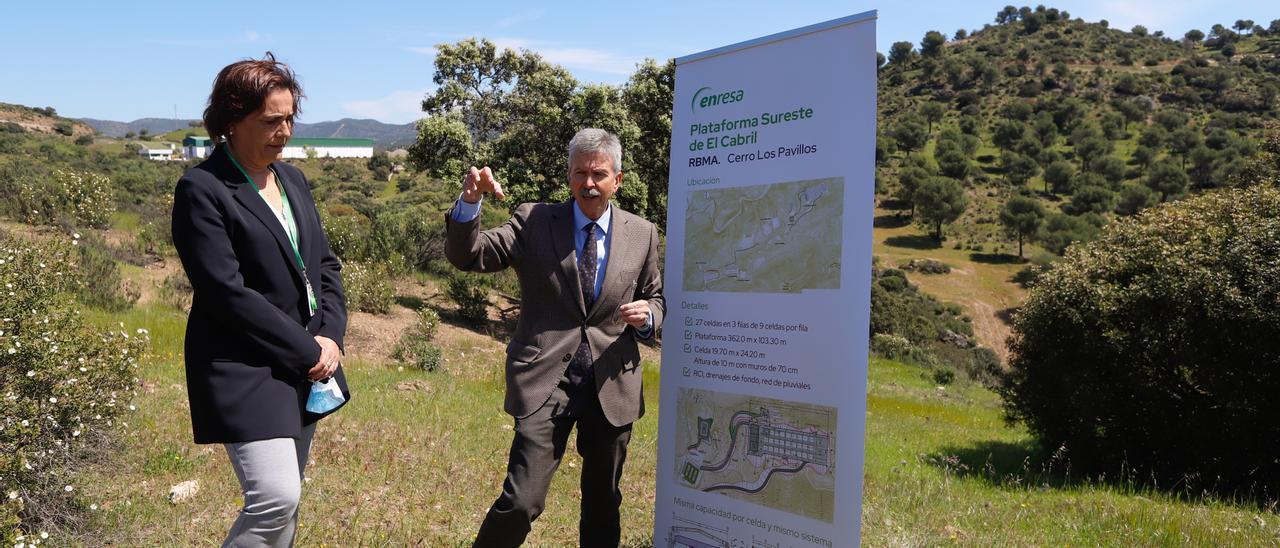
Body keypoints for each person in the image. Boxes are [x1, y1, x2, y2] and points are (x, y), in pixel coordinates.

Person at [445, 128, 665, 547]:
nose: (588, 183)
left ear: (617, 180)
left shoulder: (642, 233)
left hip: (612, 382)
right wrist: (470, 202)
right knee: (522, 500)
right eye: (580, 173)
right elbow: (469, 255)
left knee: (603, 502)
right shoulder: (535, 220)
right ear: (568, 176)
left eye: (599, 174)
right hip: (546, 381)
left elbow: (656, 296)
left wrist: (649, 315)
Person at [171, 52, 350, 547]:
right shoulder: (203, 189)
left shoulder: (292, 180)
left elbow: (326, 268)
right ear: (231, 121)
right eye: (271, 120)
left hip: (307, 363)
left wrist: (331, 337)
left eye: (290, 118)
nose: (285, 130)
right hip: (244, 364)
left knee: (286, 505)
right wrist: (309, 349)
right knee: (275, 497)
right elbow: (226, 293)